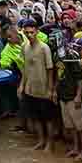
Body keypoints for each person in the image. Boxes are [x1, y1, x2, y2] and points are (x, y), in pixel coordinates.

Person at [19, 17, 57, 152]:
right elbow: (25, 68)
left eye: (31, 32)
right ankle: (41, 140)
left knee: (48, 119)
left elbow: (50, 70)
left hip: (43, 89)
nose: (29, 35)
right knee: (36, 118)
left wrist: (50, 90)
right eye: (27, 33)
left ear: (36, 31)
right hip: (30, 89)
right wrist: (22, 85)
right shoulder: (24, 47)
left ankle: (50, 143)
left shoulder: (44, 48)